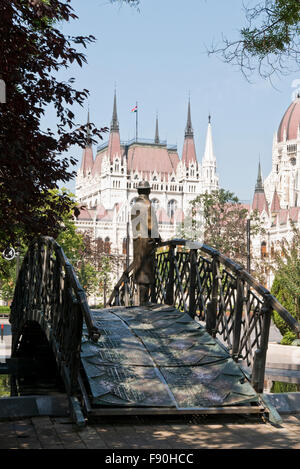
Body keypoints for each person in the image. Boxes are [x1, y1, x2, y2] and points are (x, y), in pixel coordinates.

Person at [131, 181, 161, 305]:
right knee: (146, 273)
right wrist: (158, 238)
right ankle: (144, 302)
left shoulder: (135, 205)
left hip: (137, 242)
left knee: (140, 271)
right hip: (146, 243)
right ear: (148, 191)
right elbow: (151, 226)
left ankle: (142, 301)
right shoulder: (147, 204)